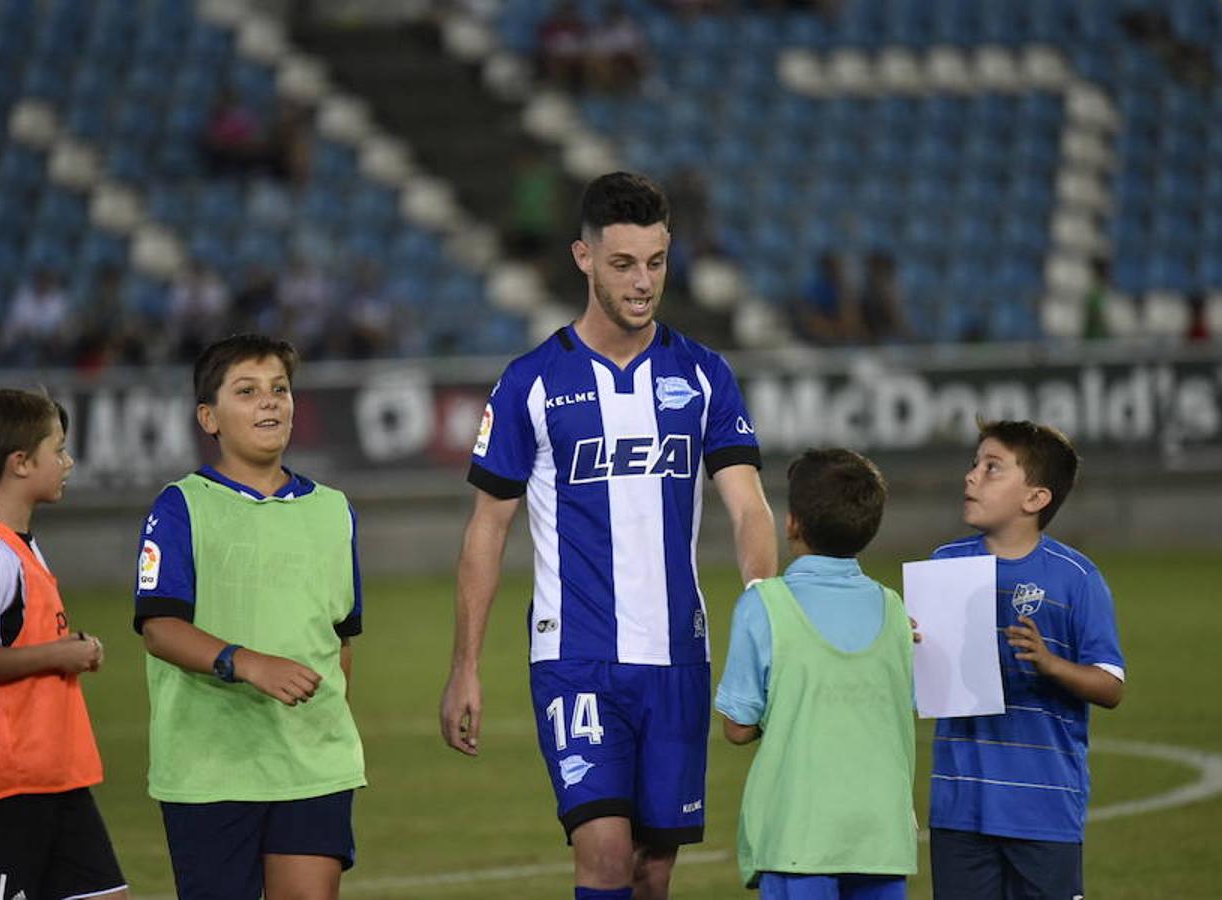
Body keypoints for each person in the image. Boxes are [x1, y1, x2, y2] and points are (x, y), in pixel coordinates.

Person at [440, 171, 777, 900]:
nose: (643, 281)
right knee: (603, 855)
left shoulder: (705, 375)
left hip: (677, 656)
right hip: (575, 657)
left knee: (653, 871)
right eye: (623, 263)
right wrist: (465, 663)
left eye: (655, 262)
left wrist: (762, 605)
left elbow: (748, 506)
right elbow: (486, 531)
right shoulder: (530, 382)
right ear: (583, 257)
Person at [133, 334, 366, 899]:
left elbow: (340, 639)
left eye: (279, 389)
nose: (270, 402)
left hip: (312, 763)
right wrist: (246, 663)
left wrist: (324, 726)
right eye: (247, 391)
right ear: (208, 417)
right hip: (211, 767)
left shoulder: (334, 509)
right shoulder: (180, 506)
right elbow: (160, 628)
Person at [929, 420, 1126, 900]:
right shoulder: (945, 566)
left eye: (992, 468)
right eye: (974, 464)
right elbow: (927, 681)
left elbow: (1111, 686)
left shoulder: (1076, 578)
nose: (971, 476)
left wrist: (1051, 664)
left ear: (1035, 498)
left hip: (1042, 807)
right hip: (959, 807)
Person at [0, 389, 128, 900]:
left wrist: (70, 648)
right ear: (21, 463)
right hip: (8, 784)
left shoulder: (23, 546)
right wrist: (61, 654)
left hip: (56, 775)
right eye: (59, 449)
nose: (68, 462)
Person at [716, 448, 917, 899]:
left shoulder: (765, 605)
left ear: (792, 524)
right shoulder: (894, 610)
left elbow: (738, 726)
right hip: (880, 835)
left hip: (798, 836)